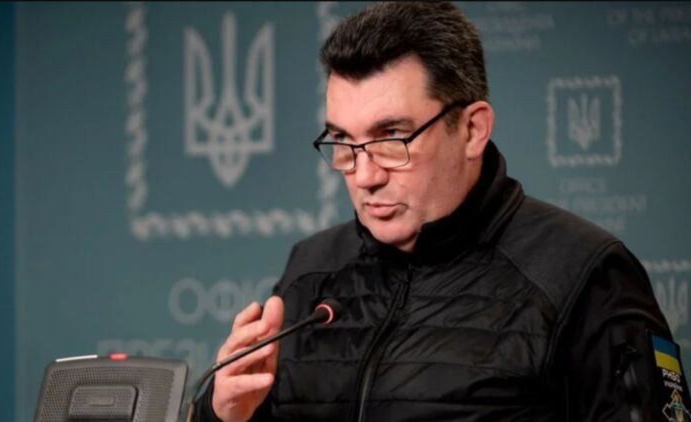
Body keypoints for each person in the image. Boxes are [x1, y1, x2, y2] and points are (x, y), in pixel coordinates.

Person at [193, 2, 690, 421]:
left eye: (391, 137)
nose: (364, 176)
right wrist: (224, 415)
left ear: (472, 130)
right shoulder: (310, 270)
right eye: (343, 140)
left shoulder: (584, 274)